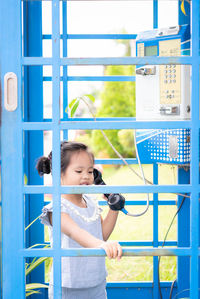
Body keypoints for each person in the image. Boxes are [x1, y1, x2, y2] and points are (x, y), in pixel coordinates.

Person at [37, 141, 122, 299]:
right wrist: (103, 245)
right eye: (78, 171)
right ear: (59, 173)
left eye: (90, 171)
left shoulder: (90, 202)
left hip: (96, 281)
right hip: (68, 285)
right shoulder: (56, 208)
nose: (86, 176)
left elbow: (100, 235)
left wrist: (113, 208)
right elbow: (76, 232)